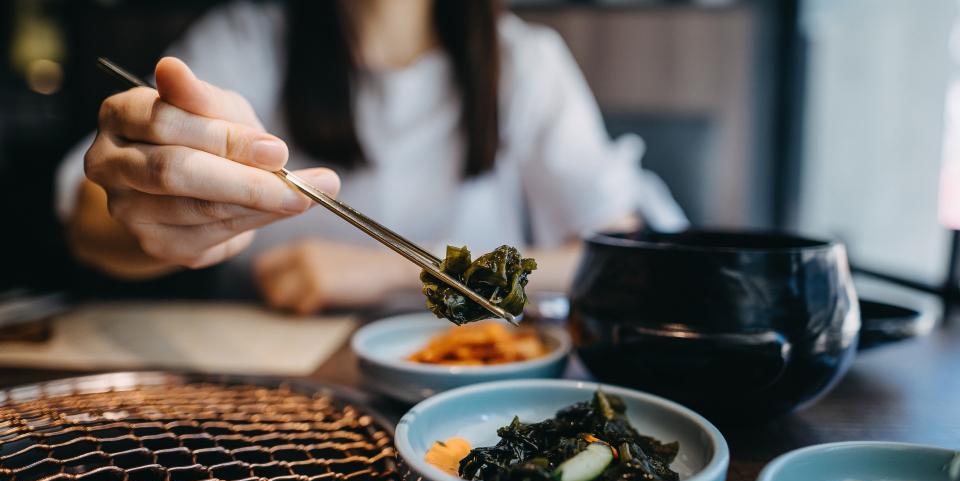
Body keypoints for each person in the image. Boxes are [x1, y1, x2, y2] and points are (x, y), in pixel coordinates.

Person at [58, 0, 687, 314]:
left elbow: (611, 257)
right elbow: (90, 214)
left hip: (470, 380)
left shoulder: (525, 62)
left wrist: (390, 272)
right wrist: (156, 218)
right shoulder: (244, 40)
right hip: (269, 403)